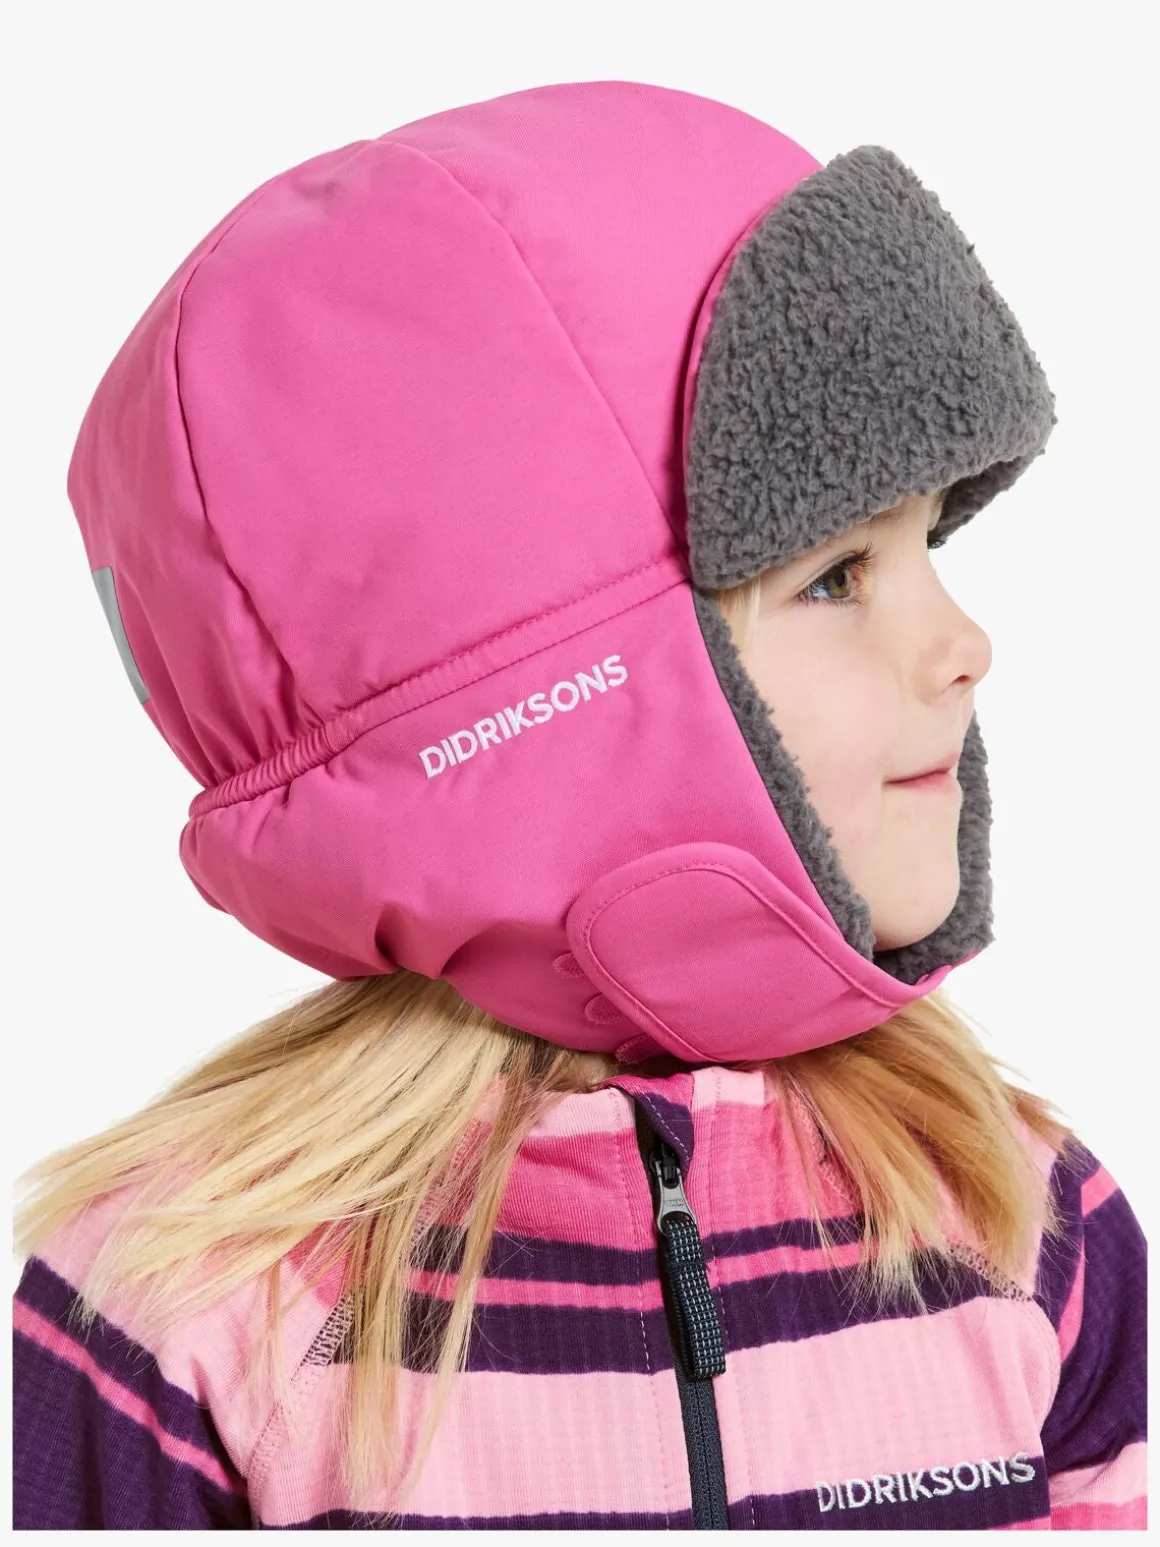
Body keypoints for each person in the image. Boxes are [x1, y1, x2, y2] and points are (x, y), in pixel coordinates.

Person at [12, 80, 1146, 1531]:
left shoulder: (1018, 1225)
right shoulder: (186, 1315)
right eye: (834, 578)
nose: (964, 645)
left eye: (931, 544)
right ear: (551, 711)